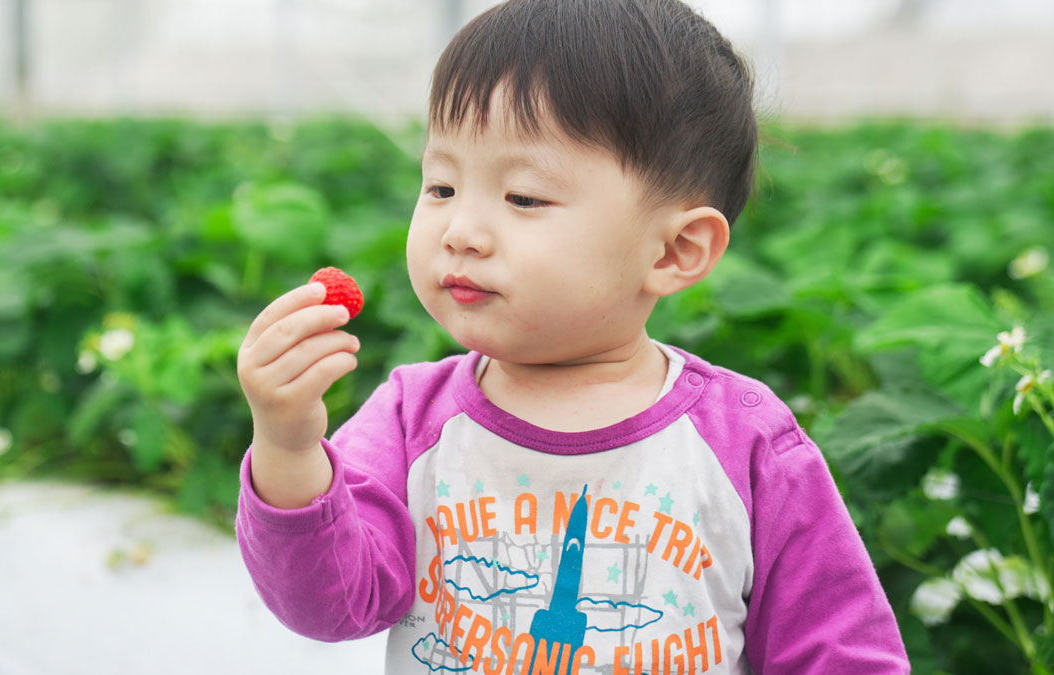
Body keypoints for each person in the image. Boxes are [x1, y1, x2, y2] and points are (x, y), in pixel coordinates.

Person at [235, 0, 909, 672]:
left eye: (524, 197)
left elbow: (839, 649)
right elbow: (329, 604)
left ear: (674, 250)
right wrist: (288, 445)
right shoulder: (412, 422)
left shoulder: (747, 442)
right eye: (440, 185)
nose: (459, 229)